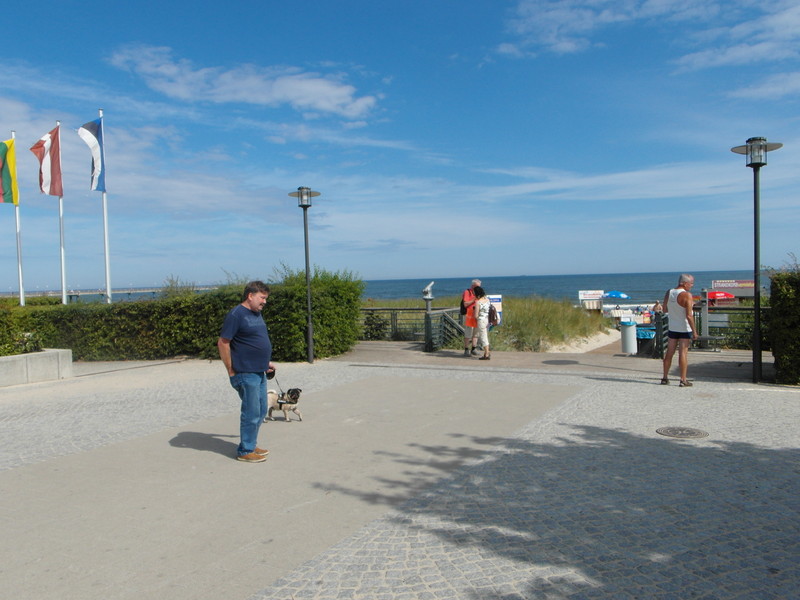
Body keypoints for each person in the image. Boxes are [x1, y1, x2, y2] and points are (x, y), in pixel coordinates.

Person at [218, 281, 276, 462]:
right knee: (251, 411)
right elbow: (223, 343)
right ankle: (245, 451)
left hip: (259, 370)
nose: (265, 302)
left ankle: (250, 443)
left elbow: (254, 340)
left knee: (261, 410)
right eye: (262, 297)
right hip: (245, 372)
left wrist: (266, 362)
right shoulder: (236, 315)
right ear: (250, 296)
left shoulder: (256, 313)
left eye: (266, 298)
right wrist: (230, 370)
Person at [661, 274, 698, 387]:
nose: (692, 285)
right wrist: (694, 331)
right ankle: (683, 379)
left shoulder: (669, 292)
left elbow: (665, 309)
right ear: (685, 283)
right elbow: (689, 316)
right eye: (691, 283)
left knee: (669, 353)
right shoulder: (687, 295)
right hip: (684, 328)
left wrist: (675, 310)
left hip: (673, 327)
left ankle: (665, 377)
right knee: (683, 353)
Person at [461, 279, 481, 356]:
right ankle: (466, 349)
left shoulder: (478, 293)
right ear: (472, 286)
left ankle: (474, 348)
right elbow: (465, 304)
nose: (478, 288)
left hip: (477, 314)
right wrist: (474, 299)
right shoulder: (467, 292)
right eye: (477, 286)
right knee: (468, 333)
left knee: (476, 333)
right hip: (469, 314)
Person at [472, 285, 491, 360]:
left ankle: (487, 353)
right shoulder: (487, 300)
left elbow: (476, 315)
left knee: (483, 337)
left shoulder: (478, 302)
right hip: (486, 319)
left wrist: (476, 316)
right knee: (485, 335)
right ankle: (487, 352)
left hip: (481, 320)